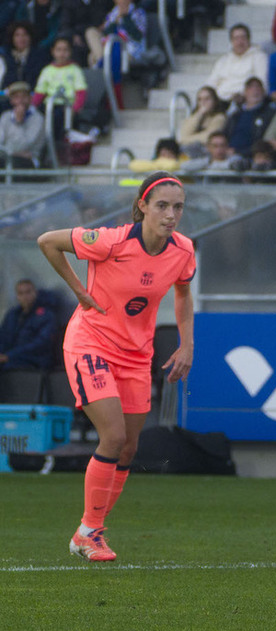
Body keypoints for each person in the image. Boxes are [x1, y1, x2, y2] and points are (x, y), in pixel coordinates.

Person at [36, 172, 195, 562]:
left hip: (136, 355)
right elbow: (47, 241)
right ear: (142, 206)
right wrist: (78, 289)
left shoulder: (183, 250)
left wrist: (187, 344)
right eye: (162, 206)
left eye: (177, 207)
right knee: (113, 436)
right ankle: (89, 532)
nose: (171, 215)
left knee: (128, 448)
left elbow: (183, 293)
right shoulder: (110, 241)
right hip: (90, 343)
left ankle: (90, 530)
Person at [0, 278, 56, 371]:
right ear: (17, 296)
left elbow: (40, 343)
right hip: (12, 358)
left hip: (35, 361)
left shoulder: (46, 315)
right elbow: (3, 337)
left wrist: (9, 356)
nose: (25, 297)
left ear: (35, 293)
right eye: (21, 293)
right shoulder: (12, 315)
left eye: (28, 292)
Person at [205, 23, 268, 102]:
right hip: (220, 101)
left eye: (243, 38)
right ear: (231, 41)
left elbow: (262, 84)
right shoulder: (223, 60)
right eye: (236, 38)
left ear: (249, 39)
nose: (240, 42)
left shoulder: (259, 57)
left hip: (244, 101)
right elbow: (211, 83)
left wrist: (244, 95)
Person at [223, 76, 276, 158]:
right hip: (227, 154)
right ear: (245, 92)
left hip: (251, 157)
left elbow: (264, 142)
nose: (255, 91)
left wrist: (238, 152)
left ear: (263, 92)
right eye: (250, 88)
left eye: (258, 88)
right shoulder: (235, 115)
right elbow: (224, 134)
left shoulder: (270, 114)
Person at [0, 81, 46, 169]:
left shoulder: (38, 118)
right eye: (16, 97)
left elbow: (23, 146)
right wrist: (10, 152)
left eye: (24, 97)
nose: (20, 100)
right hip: (7, 156)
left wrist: (18, 122)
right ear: (11, 101)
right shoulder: (5, 116)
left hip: (30, 161)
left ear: (30, 98)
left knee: (13, 162)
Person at [177, 85, 226, 159]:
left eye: (207, 99)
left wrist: (185, 139)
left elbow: (208, 138)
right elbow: (184, 134)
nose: (203, 102)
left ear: (215, 101)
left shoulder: (220, 118)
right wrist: (200, 114)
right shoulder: (196, 116)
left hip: (207, 151)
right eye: (200, 99)